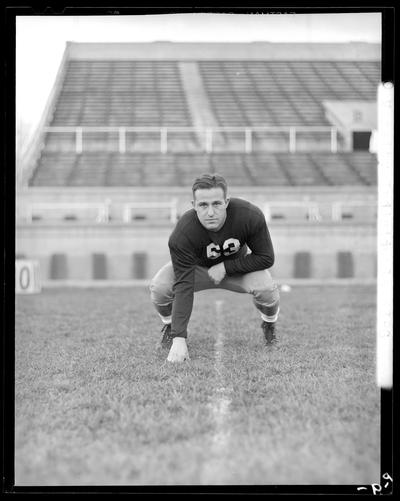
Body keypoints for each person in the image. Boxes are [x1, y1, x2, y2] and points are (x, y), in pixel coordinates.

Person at [149, 173, 280, 363]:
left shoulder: (249, 215)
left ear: (226, 202)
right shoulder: (183, 233)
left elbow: (266, 257)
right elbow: (183, 284)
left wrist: (226, 267)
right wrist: (180, 337)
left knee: (267, 289)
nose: (210, 212)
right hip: (197, 269)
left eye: (217, 204)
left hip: (237, 269)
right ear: (193, 205)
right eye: (203, 205)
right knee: (159, 288)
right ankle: (170, 327)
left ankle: (269, 325)